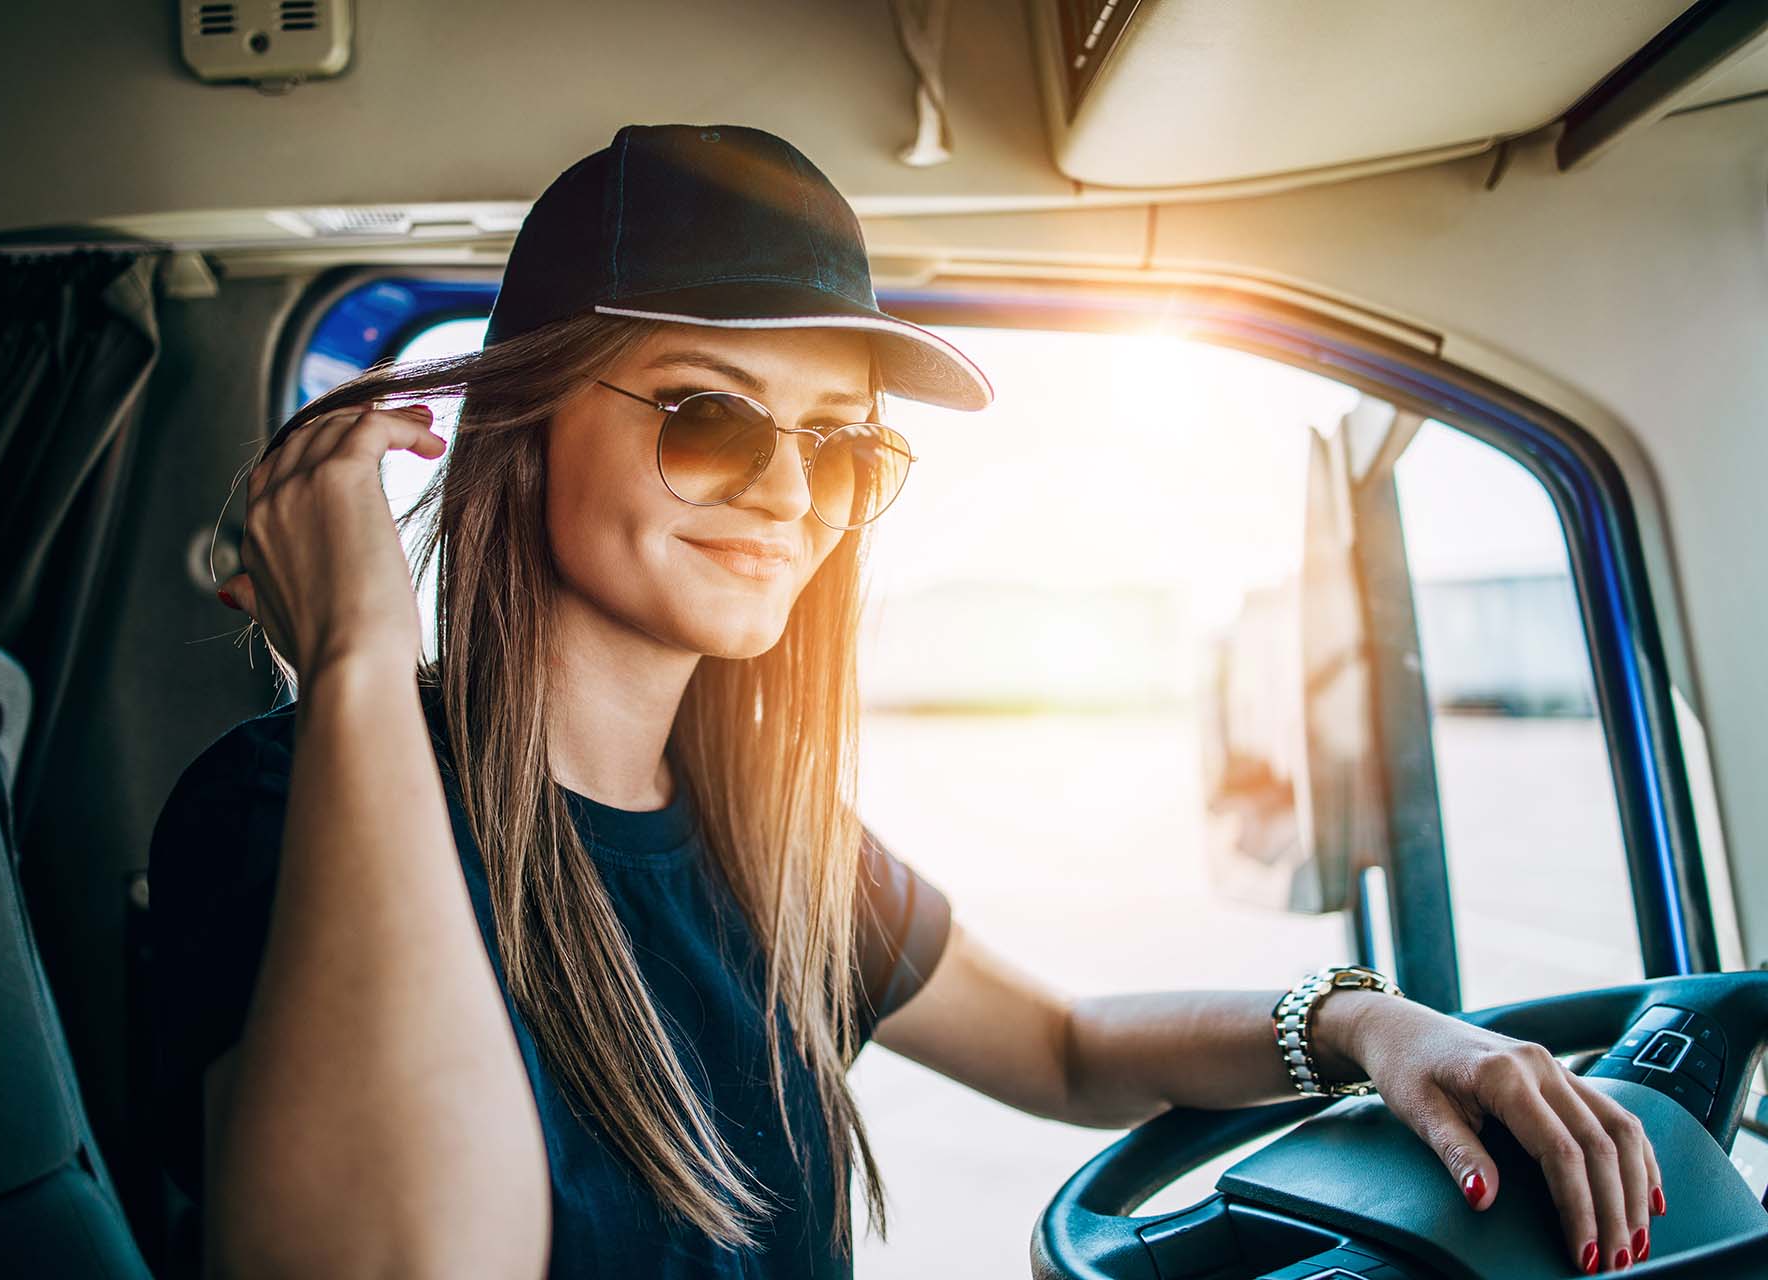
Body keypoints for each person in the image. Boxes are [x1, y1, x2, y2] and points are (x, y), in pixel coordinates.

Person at [148, 124, 1661, 1279]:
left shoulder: (774, 851)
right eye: (711, 417)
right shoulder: (288, 806)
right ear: (527, 423)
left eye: (840, 446)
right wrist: (353, 651)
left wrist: (1367, 1023)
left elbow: (1069, 1047)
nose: (793, 495)